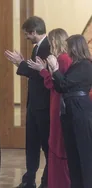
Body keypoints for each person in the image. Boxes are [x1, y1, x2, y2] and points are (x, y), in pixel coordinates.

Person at [4, 16, 50, 188]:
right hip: (34, 106)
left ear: (34, 32)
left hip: (44, 107)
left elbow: (42, 75)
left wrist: (21, 64)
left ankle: (46, 182)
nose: (26, 38)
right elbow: (34, 71)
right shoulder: (37, 47)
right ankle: (29, 180)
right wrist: (22, 63)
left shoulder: (48, 47)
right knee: (31, 144)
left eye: (26, 35)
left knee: (46, 146)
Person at [27, 28, 71, 188]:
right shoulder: (60, 58)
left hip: (59, 104)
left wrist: (44, 71)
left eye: (51, 42)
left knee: (57, 146)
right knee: (53, 144)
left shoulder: (64, 59)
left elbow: (58, 85)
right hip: (54, 102)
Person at [47, 34, 92, 188]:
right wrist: (54, 72)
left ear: (76, 47)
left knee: (83, 153)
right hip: (70, 111)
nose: (67, 50)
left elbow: (65, 84)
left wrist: (55, 69)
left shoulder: (86, 65)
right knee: (72, 153)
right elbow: (60, 87)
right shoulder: (75, 65)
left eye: (69, 46)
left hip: (80, 110)